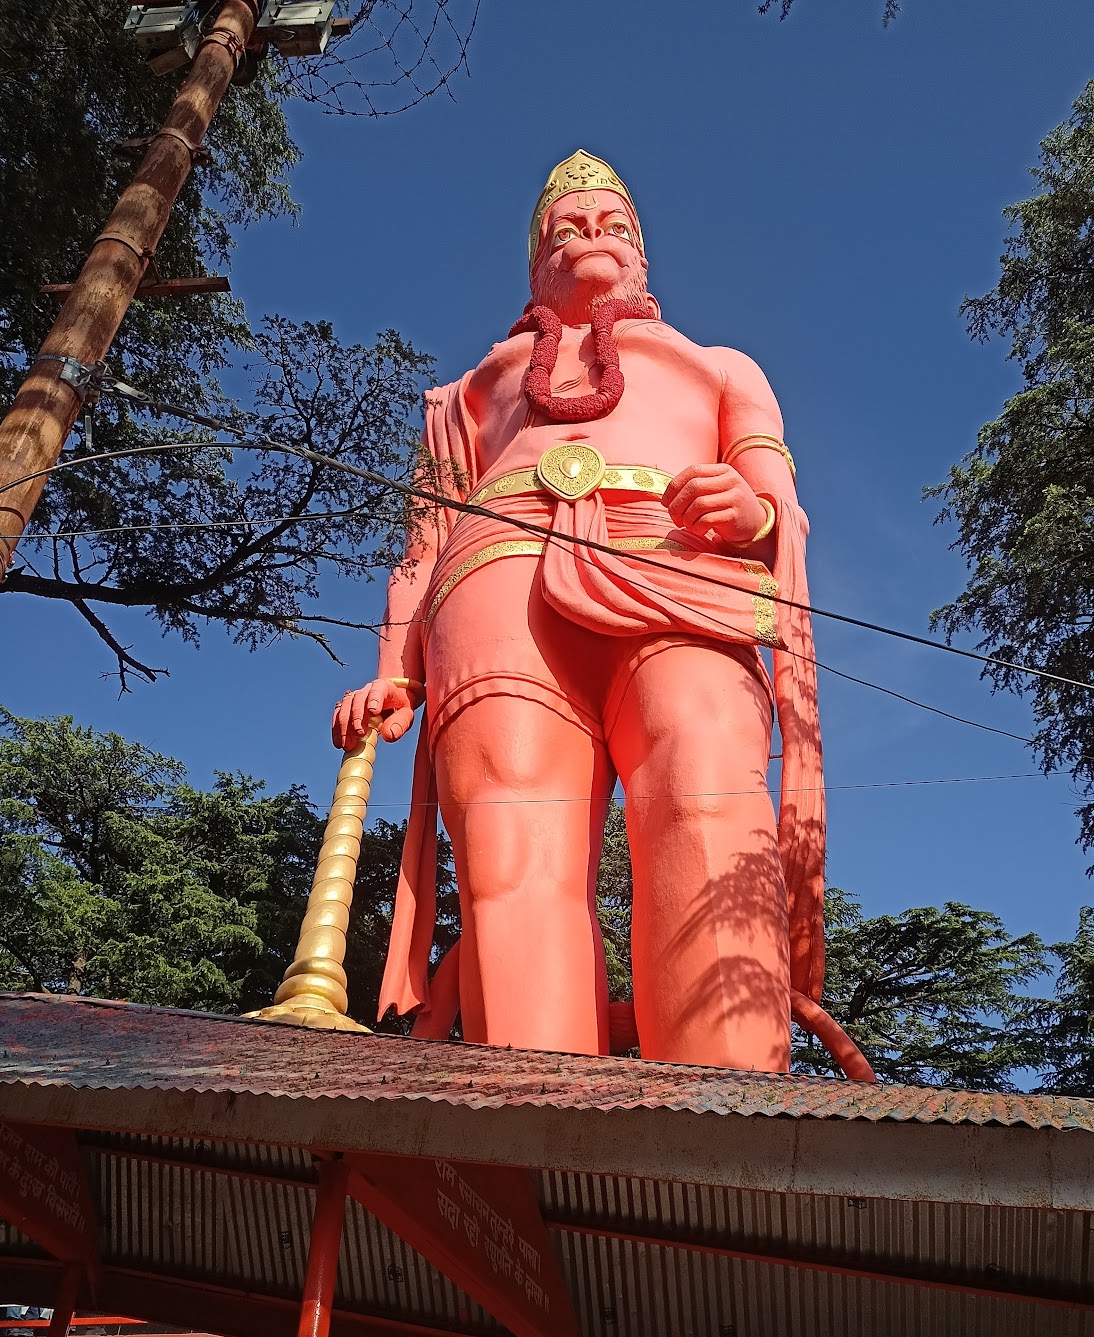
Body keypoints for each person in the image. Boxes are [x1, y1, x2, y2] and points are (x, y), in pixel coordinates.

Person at [333, 151, 871, 1079]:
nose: (591, 237)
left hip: (682, 568)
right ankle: (540, 1136)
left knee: (705, 801)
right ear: (535, 262)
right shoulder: (468, 394)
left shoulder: (720, 367)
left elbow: (778, 497)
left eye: (612, 224)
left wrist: (759, 515)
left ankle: (725, 1143)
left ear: (644, 255)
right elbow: (421, 546)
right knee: (510, 844)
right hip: (495, 578)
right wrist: (394, 667)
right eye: (566, 228)